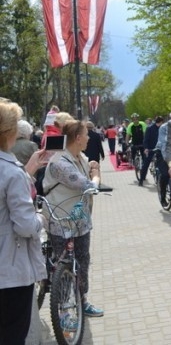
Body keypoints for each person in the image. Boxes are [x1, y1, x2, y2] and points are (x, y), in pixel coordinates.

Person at [42, 119, 104, 317]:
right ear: (77, 138)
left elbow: (87, 164)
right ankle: (63, 311)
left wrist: (91, 164)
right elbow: (88, 185)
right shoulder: (60, 162)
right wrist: (96, 175)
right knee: (63, 265)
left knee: (83, 260)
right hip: (61, 220)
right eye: (86, 134)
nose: (89, 138)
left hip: (80, 220)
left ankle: (82, 300)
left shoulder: (78, 157)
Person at [0, 101, 48, 344]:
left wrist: (27, 172)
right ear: (9, 132)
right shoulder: (10, 171)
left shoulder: (13, 171)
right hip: (10, 271)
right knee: (12, 334)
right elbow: (26, 226)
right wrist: (41, 219)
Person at [154, 112, 171, 208]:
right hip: (163, 153)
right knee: (165, 174)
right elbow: (164, 144)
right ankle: (162, 196)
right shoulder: (163, 128)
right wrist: (169, 161)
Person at [139, 116, 164, 186]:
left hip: (160, 149)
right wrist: (146, 148)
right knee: (145, 164)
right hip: (151, 149)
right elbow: (146, 139)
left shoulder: (162, 128)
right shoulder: (150, 128)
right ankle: (141, 179)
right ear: (161, 122)